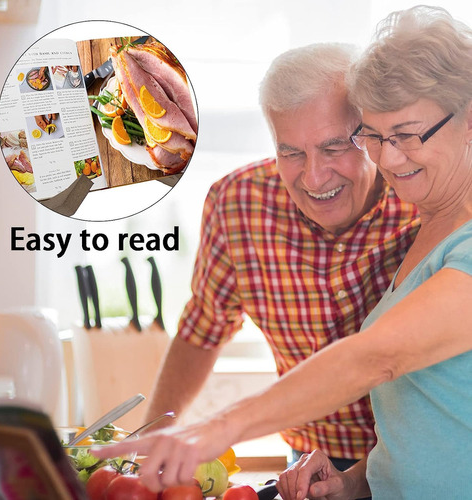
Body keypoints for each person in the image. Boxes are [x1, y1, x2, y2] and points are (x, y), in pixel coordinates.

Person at [95, 5, 472, 499]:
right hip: (343, 473)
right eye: (378, 137)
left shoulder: (426, 211)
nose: (391, 158)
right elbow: (429, 426)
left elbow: (377, 358)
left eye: (404, 136)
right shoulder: (431, 216)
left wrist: (220, 428)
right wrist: (357, 481)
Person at [142, 44, 418, 469]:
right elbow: (202, 330)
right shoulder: (236, 204)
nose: (313, 176)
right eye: (291, 152)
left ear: (371, 133)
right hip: (306, 460)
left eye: (333, 147)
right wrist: (151, 440)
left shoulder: (420, 200)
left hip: (412, 458)